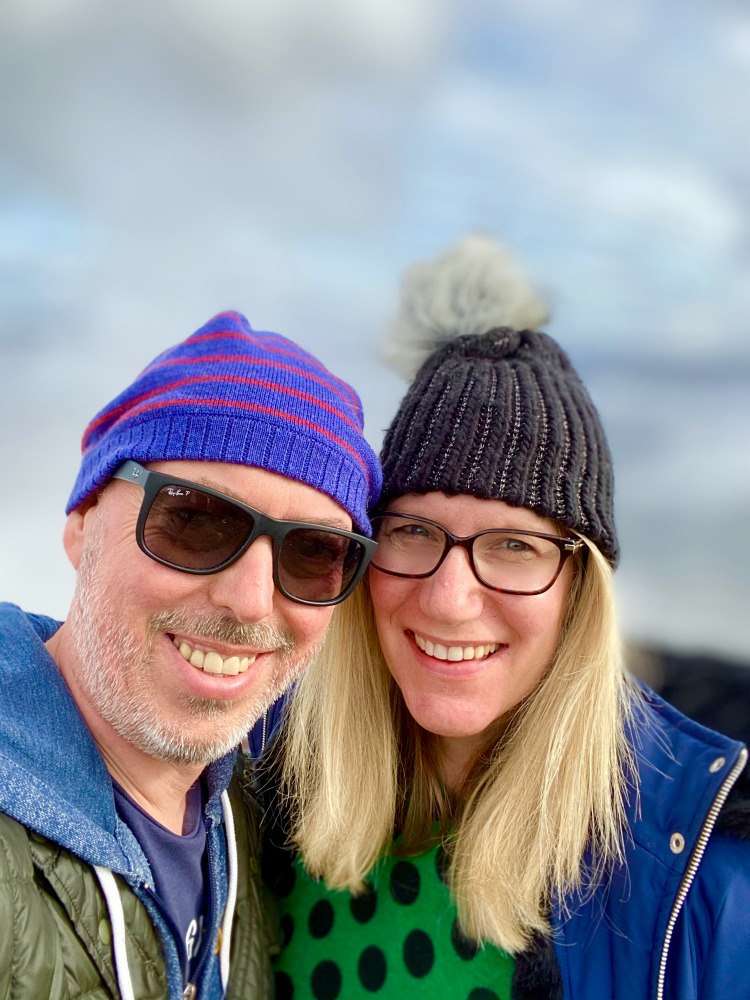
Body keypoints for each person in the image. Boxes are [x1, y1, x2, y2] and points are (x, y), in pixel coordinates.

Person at [264, 239, 750, 1000]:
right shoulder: (261, 787)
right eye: (413, 532)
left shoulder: (707, 884)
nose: (450, 597)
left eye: (515, 546)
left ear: (579, 591)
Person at [0, 309, 381, 1000]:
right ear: (82, 524)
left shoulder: (249, 816)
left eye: (313, 553)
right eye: (196, 521)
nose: (252, 600)